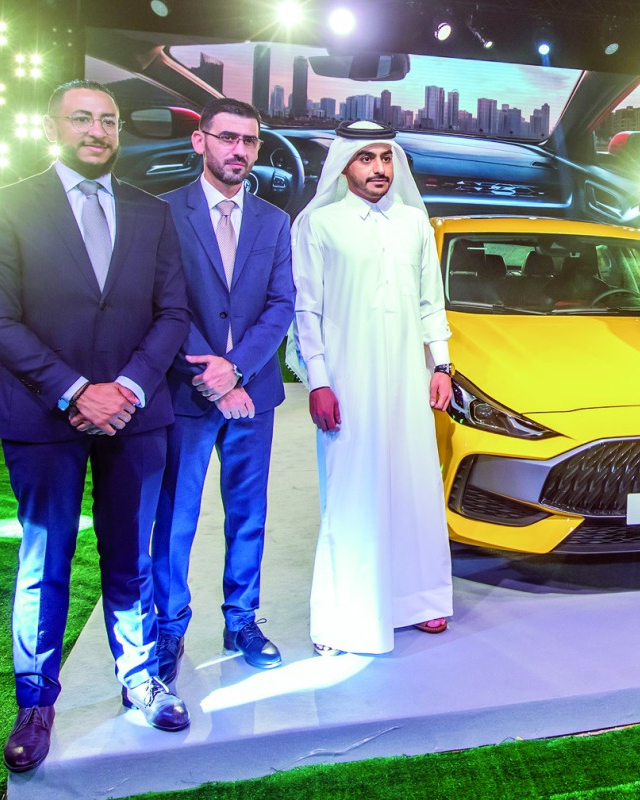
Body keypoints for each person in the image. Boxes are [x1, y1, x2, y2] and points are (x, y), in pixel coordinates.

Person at [0, 79, 192, 773]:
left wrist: (123, 388)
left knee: (133, 557)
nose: (97, 131)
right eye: (82, 118)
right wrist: (74, 391)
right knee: (46, 560)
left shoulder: (151, 213)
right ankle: (36, 701)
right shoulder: (7, 206)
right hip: (42, 415)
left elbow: (172, 315)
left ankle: (140, 678)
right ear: (53, 126)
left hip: (136, 413)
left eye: (109, 120)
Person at [288, 120, 453, 655]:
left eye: (386, 157)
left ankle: (421, 600)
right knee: (352, 490)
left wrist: (442, 368)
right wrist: (318, 380)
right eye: (366, 158)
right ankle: (345, 615)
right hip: (348, 379)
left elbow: (432, 302)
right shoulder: (319, 225)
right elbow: (306, 308)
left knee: (412, 482)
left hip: (410, 376)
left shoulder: (413, 223)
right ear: (344, 165)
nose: (379, 168)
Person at [151, 98, 294, 684]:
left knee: (248, 515)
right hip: (184, 397)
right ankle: (168, 627)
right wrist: (209, 376)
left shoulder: (273, 221)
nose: (239, 150)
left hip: (252, 395)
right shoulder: (163, 215)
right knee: (176, 517)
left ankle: (241, 620)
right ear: (200, 142)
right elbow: (162, 305)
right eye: (227, 137)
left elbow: (281, 305)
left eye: (250, 141)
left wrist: (235, 369)